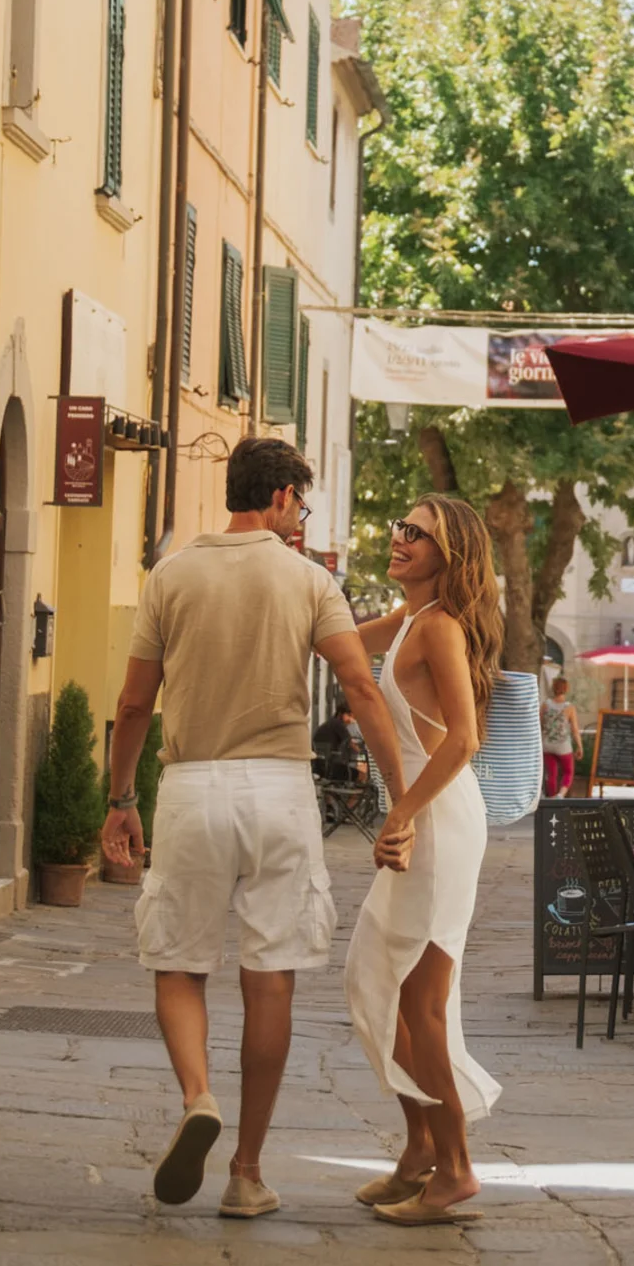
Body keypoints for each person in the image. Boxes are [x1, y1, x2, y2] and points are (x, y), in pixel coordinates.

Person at [101, 437, 407, 1218]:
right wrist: (402, 796)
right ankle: (246, 1171)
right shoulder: (309, 580)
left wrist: (119, 798)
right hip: (279, 791)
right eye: (299, 505)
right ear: (278, 498)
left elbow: (134, 703)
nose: (300, 519)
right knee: (269, 978)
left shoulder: (170, 575)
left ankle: (198, 1096)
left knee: (178, 960)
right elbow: (359, 690)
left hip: (191, 788)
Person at [344, 494, 503, 1226]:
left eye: (418, 534)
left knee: (422, 1001)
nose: (400, 538)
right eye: (400, 527)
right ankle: (417, 1152)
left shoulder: (438, 628)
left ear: (450, 555)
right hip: (425, 816)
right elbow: (335, 640)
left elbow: (464, 739)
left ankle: (457, 1168)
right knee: (375, 977)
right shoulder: (406, 619)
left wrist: (401, 814)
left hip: (437, 821)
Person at [540, 675, 582, 797]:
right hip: (563, 746)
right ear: (566, 689)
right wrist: (580, 746)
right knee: (568, 771)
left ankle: (551, 798)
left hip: (547, 744)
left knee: (551, 773)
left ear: (553, 689)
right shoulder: (569, 707)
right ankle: (561, 794)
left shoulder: (545, 704)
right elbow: (574, 729)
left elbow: (540, 723)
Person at [313, 702, 362, 784]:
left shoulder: (330, 723)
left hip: (319, 767)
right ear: (341, 714)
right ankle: (352, 797)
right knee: (361, 775)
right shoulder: (338, 724)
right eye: (349, 716)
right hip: (330, 769)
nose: (351, 720)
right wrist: (361, 751)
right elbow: (351, 743)